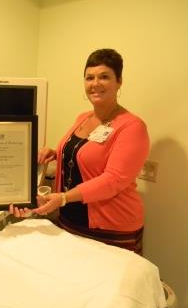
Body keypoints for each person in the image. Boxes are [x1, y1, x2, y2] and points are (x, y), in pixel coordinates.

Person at [10, 48, 149, 254]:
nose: (95, 83)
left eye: (104, 77)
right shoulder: (83, 118)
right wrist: (56, 153)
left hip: (110, 226)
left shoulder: (132, 127)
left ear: (119, 81)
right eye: (89, 77)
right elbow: (84, 154)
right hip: (70, 219)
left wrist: (64, 197)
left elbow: (114, 180)